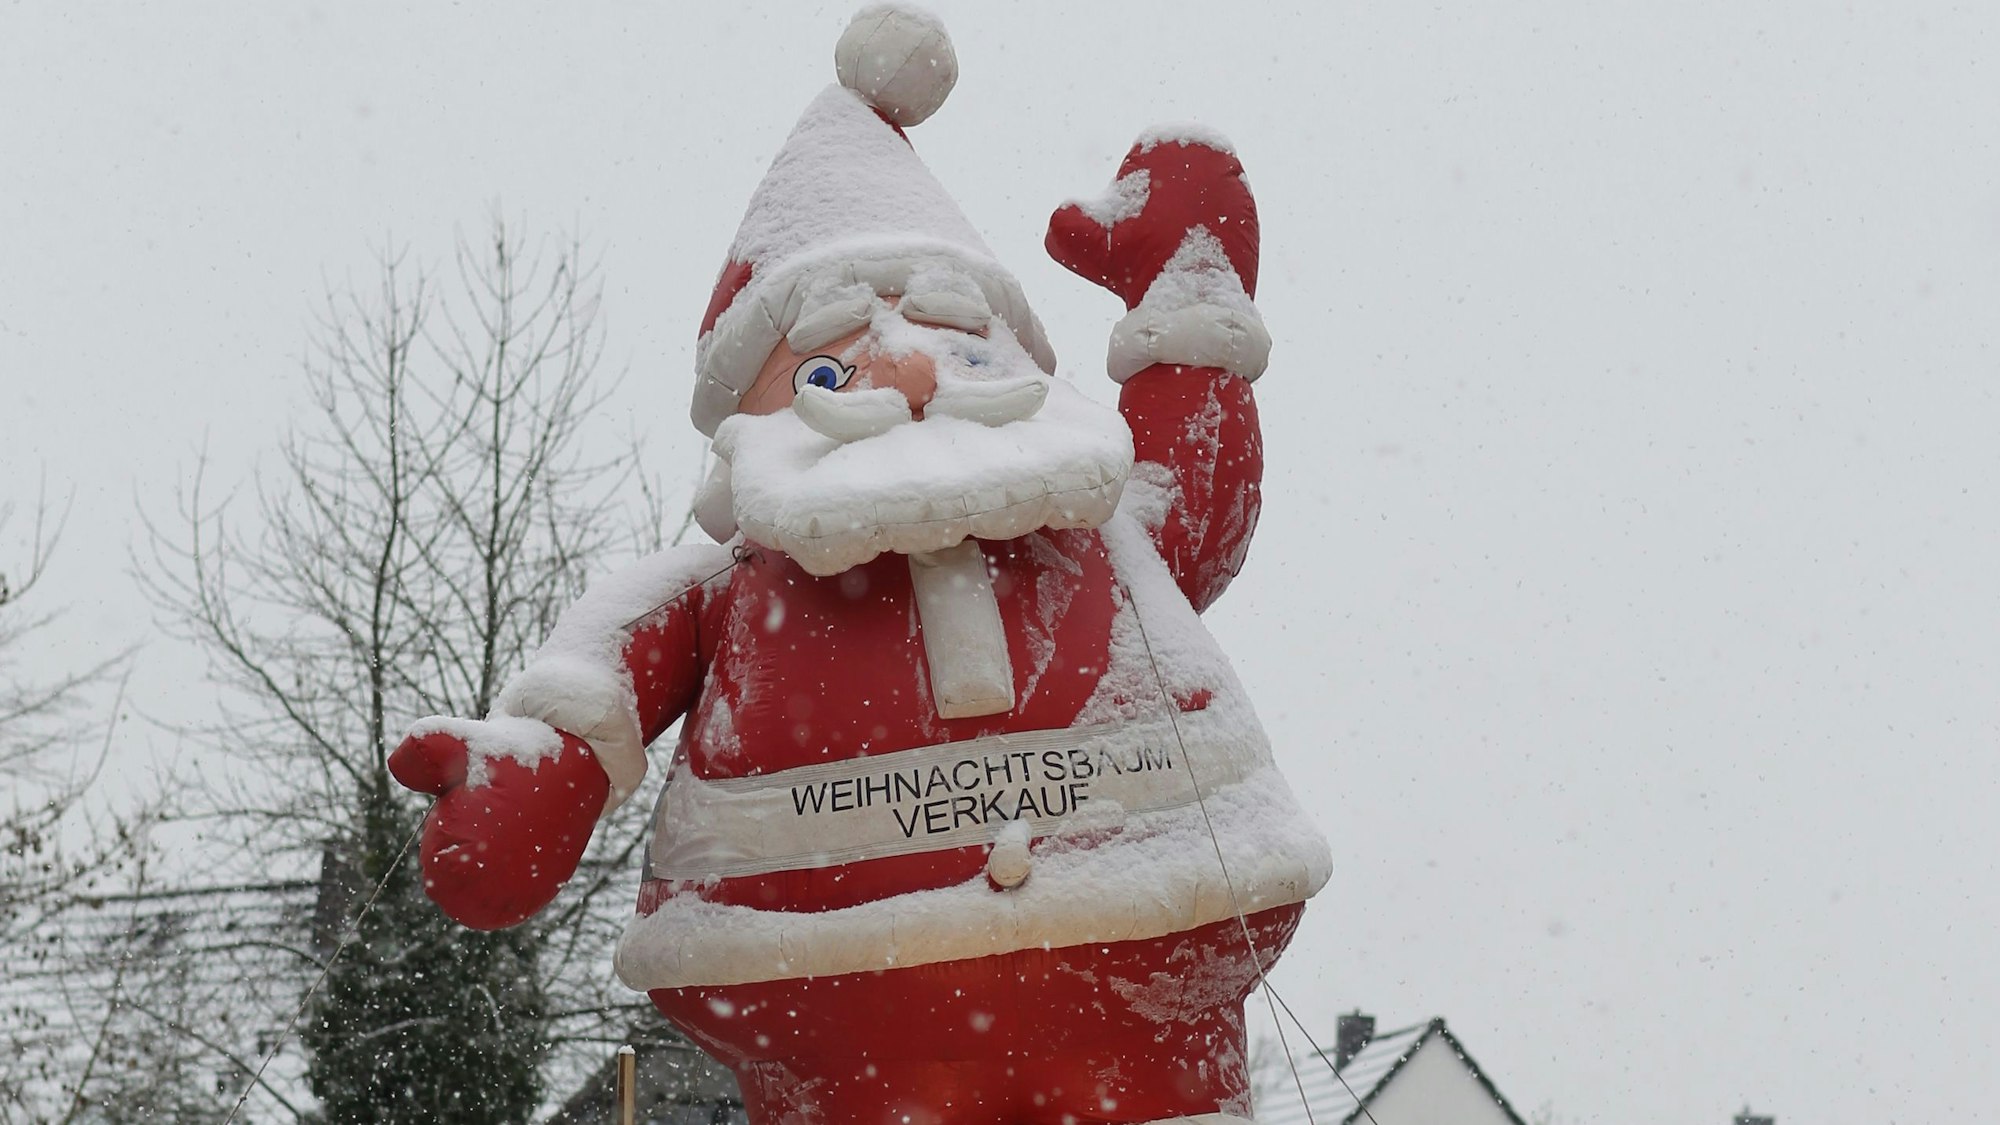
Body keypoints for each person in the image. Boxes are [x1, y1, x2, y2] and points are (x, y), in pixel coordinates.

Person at [391, 7, 1328, 1124]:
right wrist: (528, 785)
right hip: (845, 1038)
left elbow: (1199, 500)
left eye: (955, 343)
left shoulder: (1093, 522)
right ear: (752, 422)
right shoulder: (724, 595)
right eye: (831, 371)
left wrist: (1187, 285)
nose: (909, 372)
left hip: (1139, 997)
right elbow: (601, 685)